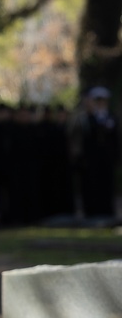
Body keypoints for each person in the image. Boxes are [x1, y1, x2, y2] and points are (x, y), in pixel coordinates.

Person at [68, 85, 119, 220]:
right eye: (98, 101)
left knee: (107, 186)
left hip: (106, 159)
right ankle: (92, 212)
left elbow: (115, 139)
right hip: (90, 160)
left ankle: (107, 211)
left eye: (103, 101)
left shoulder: (111, 117)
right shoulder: (85, 118)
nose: (101, 104)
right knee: (92, 186)